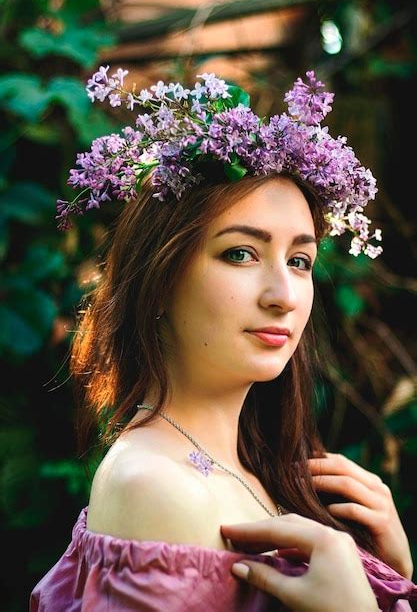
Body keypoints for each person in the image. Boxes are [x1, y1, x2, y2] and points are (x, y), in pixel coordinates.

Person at [30, 68, 416, 612]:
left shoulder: (265, 468)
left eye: (300, 261)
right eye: (240, 253)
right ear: (159, 278)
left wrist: (392, 570)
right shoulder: (158, 486)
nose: (283, 294)